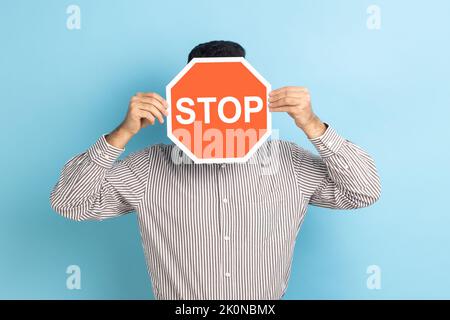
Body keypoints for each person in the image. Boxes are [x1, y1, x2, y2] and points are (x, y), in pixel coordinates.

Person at [50, 40, 381, 300]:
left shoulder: (287, 161)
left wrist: (312, 125)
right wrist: (121, 134)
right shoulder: (150, 167)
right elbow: (71, 203)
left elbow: (362, 191)